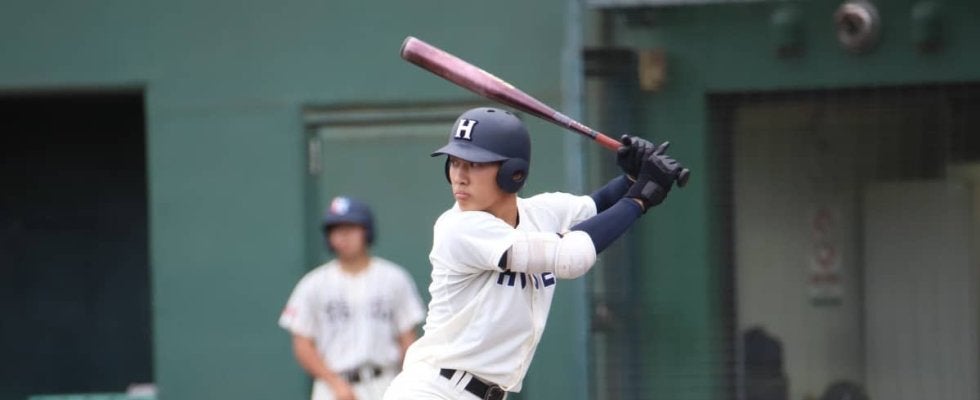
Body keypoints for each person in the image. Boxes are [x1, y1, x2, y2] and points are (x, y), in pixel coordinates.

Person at [383, 107, 685, 400]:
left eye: (473, 164)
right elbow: (571, 257)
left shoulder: (541, 212)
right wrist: (640, 198)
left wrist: (631, 178)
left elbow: (600, 206)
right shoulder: (458, 227)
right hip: (433, 390)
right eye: (454, 162)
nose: (459, 176)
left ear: (513, 172)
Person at [280, 196, 426, 400]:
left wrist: (409, 382)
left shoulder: (394, 278)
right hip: (332, 386)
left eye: (350, 228)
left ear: (367, 230)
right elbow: (302, 345)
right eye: (336, 230)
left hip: (384, 382)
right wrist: (334, 382)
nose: (343, 236)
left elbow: (407, 339)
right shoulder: (313, 283)